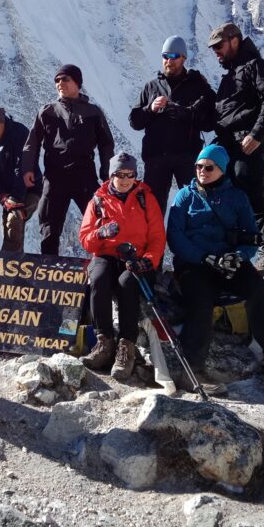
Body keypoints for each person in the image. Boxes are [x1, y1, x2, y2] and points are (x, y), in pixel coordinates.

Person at [167, 144, 264, 392]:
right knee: (201, 300)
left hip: (229, 261)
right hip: (195, 264)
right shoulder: (184, 196)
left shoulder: (237, 197)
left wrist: (239, 256)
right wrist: (204, 258)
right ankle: (192, 370)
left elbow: (250, 235)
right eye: (199, 166)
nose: (202, 171)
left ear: (221, 170)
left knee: (259, 291)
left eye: (209, 167)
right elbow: (176, 237)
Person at [78, 153, 166, 381]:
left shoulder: (146, 199)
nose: (125, 179)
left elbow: (157, 237)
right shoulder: (97, 200)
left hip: (136, 257)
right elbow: (86, 240)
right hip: (106, 254)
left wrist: (148, 260)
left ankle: (127, 345)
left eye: (130, 175)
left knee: (128, 282)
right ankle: (104, 342)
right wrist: (101, 233)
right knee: (98, 279)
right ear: (111, 175)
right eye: (120, 174)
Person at [208, 22, 264, 273]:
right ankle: (235, 252)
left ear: (235, 40)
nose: (216, 51)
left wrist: (257, 135)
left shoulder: (255, 66)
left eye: (219, 46)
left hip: (247, 143)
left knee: (250, 193)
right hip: (228, 144)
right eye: (213, 48)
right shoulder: (230, 74)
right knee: (225, 196)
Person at [22, 64, 115, 255]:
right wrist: (28, 168)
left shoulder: (93, 112)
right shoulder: (47, 112)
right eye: (57, 80)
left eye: (65, 79)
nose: (60, 83)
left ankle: (104, 269)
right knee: (49, 226)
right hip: (55, 177)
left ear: (77, 83)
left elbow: (106, 144)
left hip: (85, 175)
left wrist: (107, 172)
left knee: (100, 222)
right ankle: (48, 271)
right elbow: (32, 143)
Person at [128, 35, 215, 216]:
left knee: (195, 207)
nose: (169, 61)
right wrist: (150, 109)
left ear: (183, 58)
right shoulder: (151, 87)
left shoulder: (198, 85)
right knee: (152, 212)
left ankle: (194, 243)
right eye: (165, 56)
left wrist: (185, 113)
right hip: (156, 159)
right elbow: (134, 121)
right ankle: (154, 245)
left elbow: (210, 122)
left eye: (174, 56)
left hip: (187, 157)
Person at [0, 106, 41, 252]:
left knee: (14, 220)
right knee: (8, 229)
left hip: (30, 188)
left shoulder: (20, 134)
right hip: (7, 192)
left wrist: (16, 198)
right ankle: (17, 266)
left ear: (2, 122)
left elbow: (24, 167)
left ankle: (7, 266)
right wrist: (1, 195)